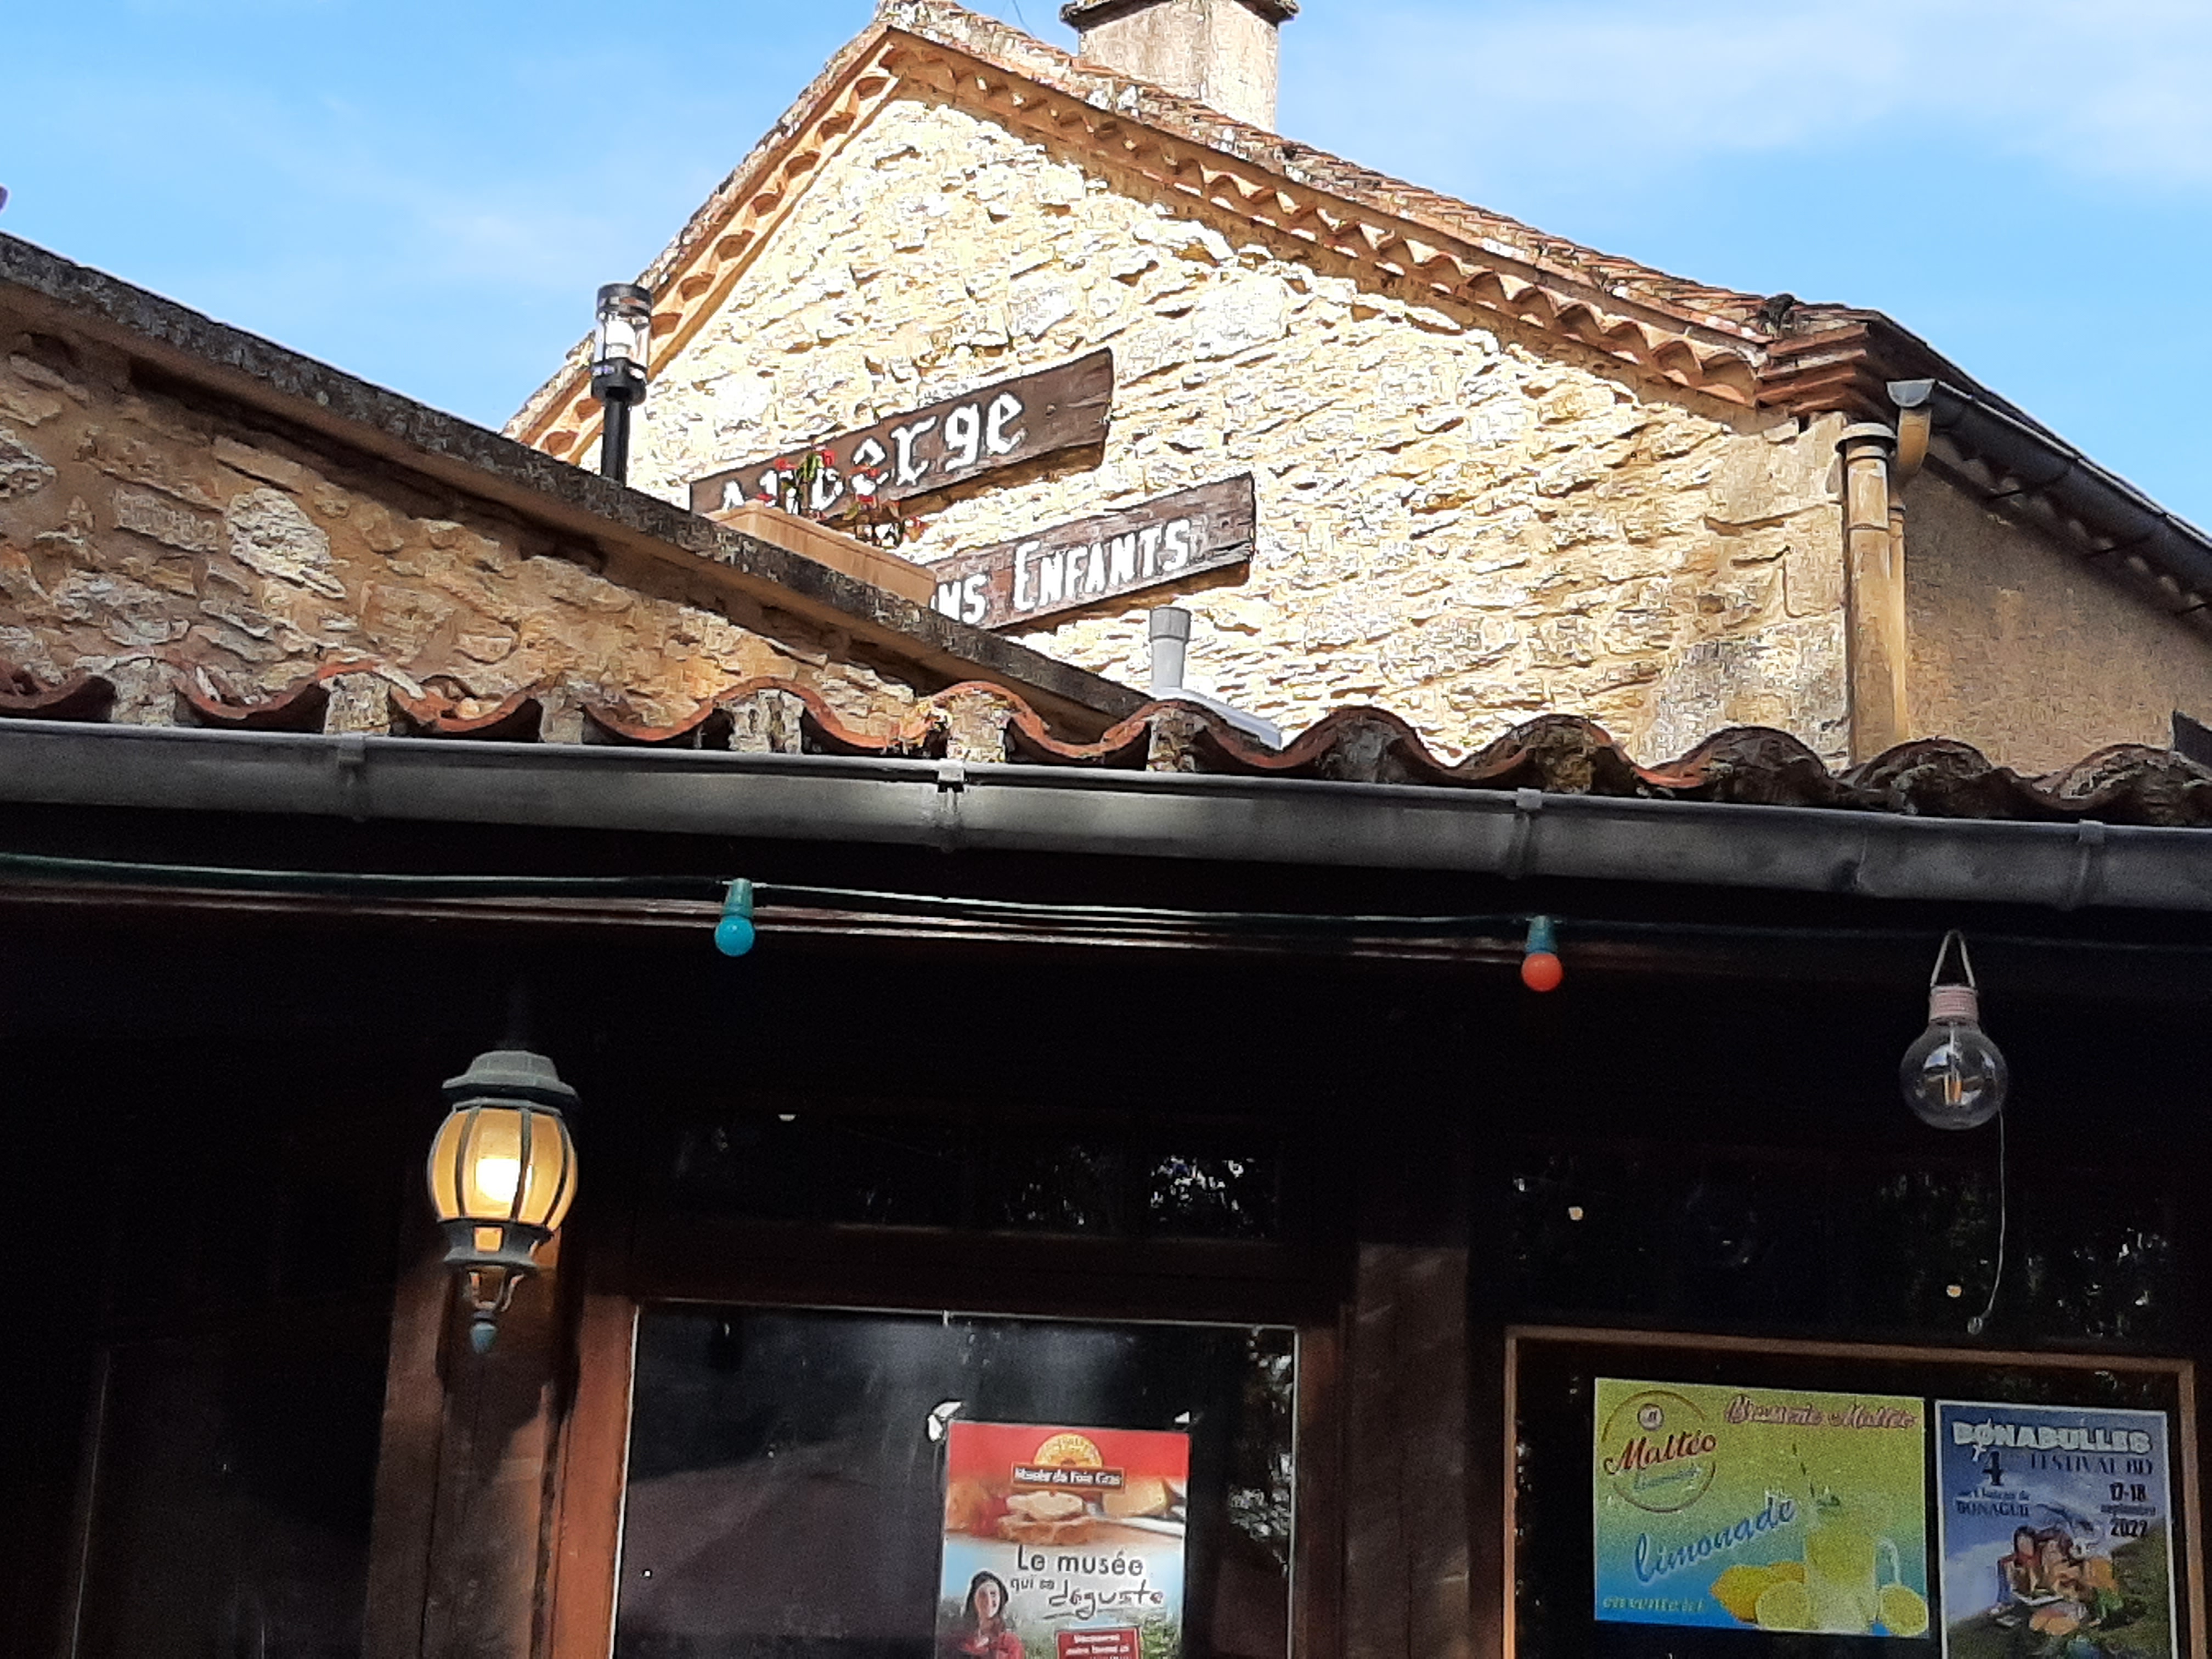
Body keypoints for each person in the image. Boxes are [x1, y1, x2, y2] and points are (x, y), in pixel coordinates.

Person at [945, 1571, 1025, 1659]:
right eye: (983, 1595)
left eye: (993, 1594)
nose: (988, 1601)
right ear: (974, 1601)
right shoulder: (960, 1641)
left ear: (1000, 1599)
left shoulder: (1010, 1644)